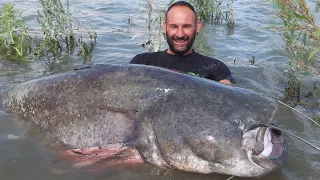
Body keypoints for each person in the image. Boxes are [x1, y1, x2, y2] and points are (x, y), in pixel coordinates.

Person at [130, 1, 234, 85]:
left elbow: (231, 98)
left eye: (186, 26)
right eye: (174, 26)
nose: (180, 34)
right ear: (165, 27)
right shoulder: (141, 63)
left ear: (197, 27)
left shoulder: (216, 68)